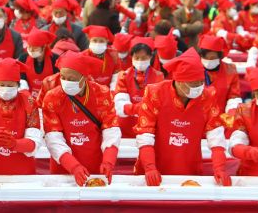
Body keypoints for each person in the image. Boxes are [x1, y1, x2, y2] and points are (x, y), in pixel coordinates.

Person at [134, 48, 231, 186]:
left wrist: (220, 168)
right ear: (178, 81)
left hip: (189, 166)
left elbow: (216, 137)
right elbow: (145, 135)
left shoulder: (207, 96)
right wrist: (150, 167)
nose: (198, 87)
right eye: (193, 84)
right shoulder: (155, 93)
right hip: (156, 166)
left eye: (200, 82)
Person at [42, 52, 121, 186]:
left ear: (84, 77)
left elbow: (111, 129)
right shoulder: (52, 97)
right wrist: (73, 166)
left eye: (72, 79)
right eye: (63, 77)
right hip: (63, 166)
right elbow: (53, 137)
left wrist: (108, 160)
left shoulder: (101, 93)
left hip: (95, 164)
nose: (66, 82)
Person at [113, 37, 164, 138]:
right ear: (131, 57)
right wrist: (144, 108)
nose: (140, 61)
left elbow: (158, 105)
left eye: (144, 58)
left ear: (150, 57)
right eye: (137, 58)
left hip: (149, 127)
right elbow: (120, 106)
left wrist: (132, 109)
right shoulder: (123, 75)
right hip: (126, 127)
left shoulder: (159, 76)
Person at [198, 35, 242, 113]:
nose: (208, 61)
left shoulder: (230, 70)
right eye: (205, 58)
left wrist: (231, 112)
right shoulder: (193, 68)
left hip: (220, 117)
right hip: (197, 115)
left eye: (212, 58)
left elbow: (234, 96)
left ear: (220, 56)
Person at [19, 28, 59, 98]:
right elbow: (21, 79)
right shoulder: (23, 58)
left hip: (48, 98)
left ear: (43, 47)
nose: (31, 50)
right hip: (29, 97)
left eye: (34, 48)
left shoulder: (55, 59)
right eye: (29, 46)